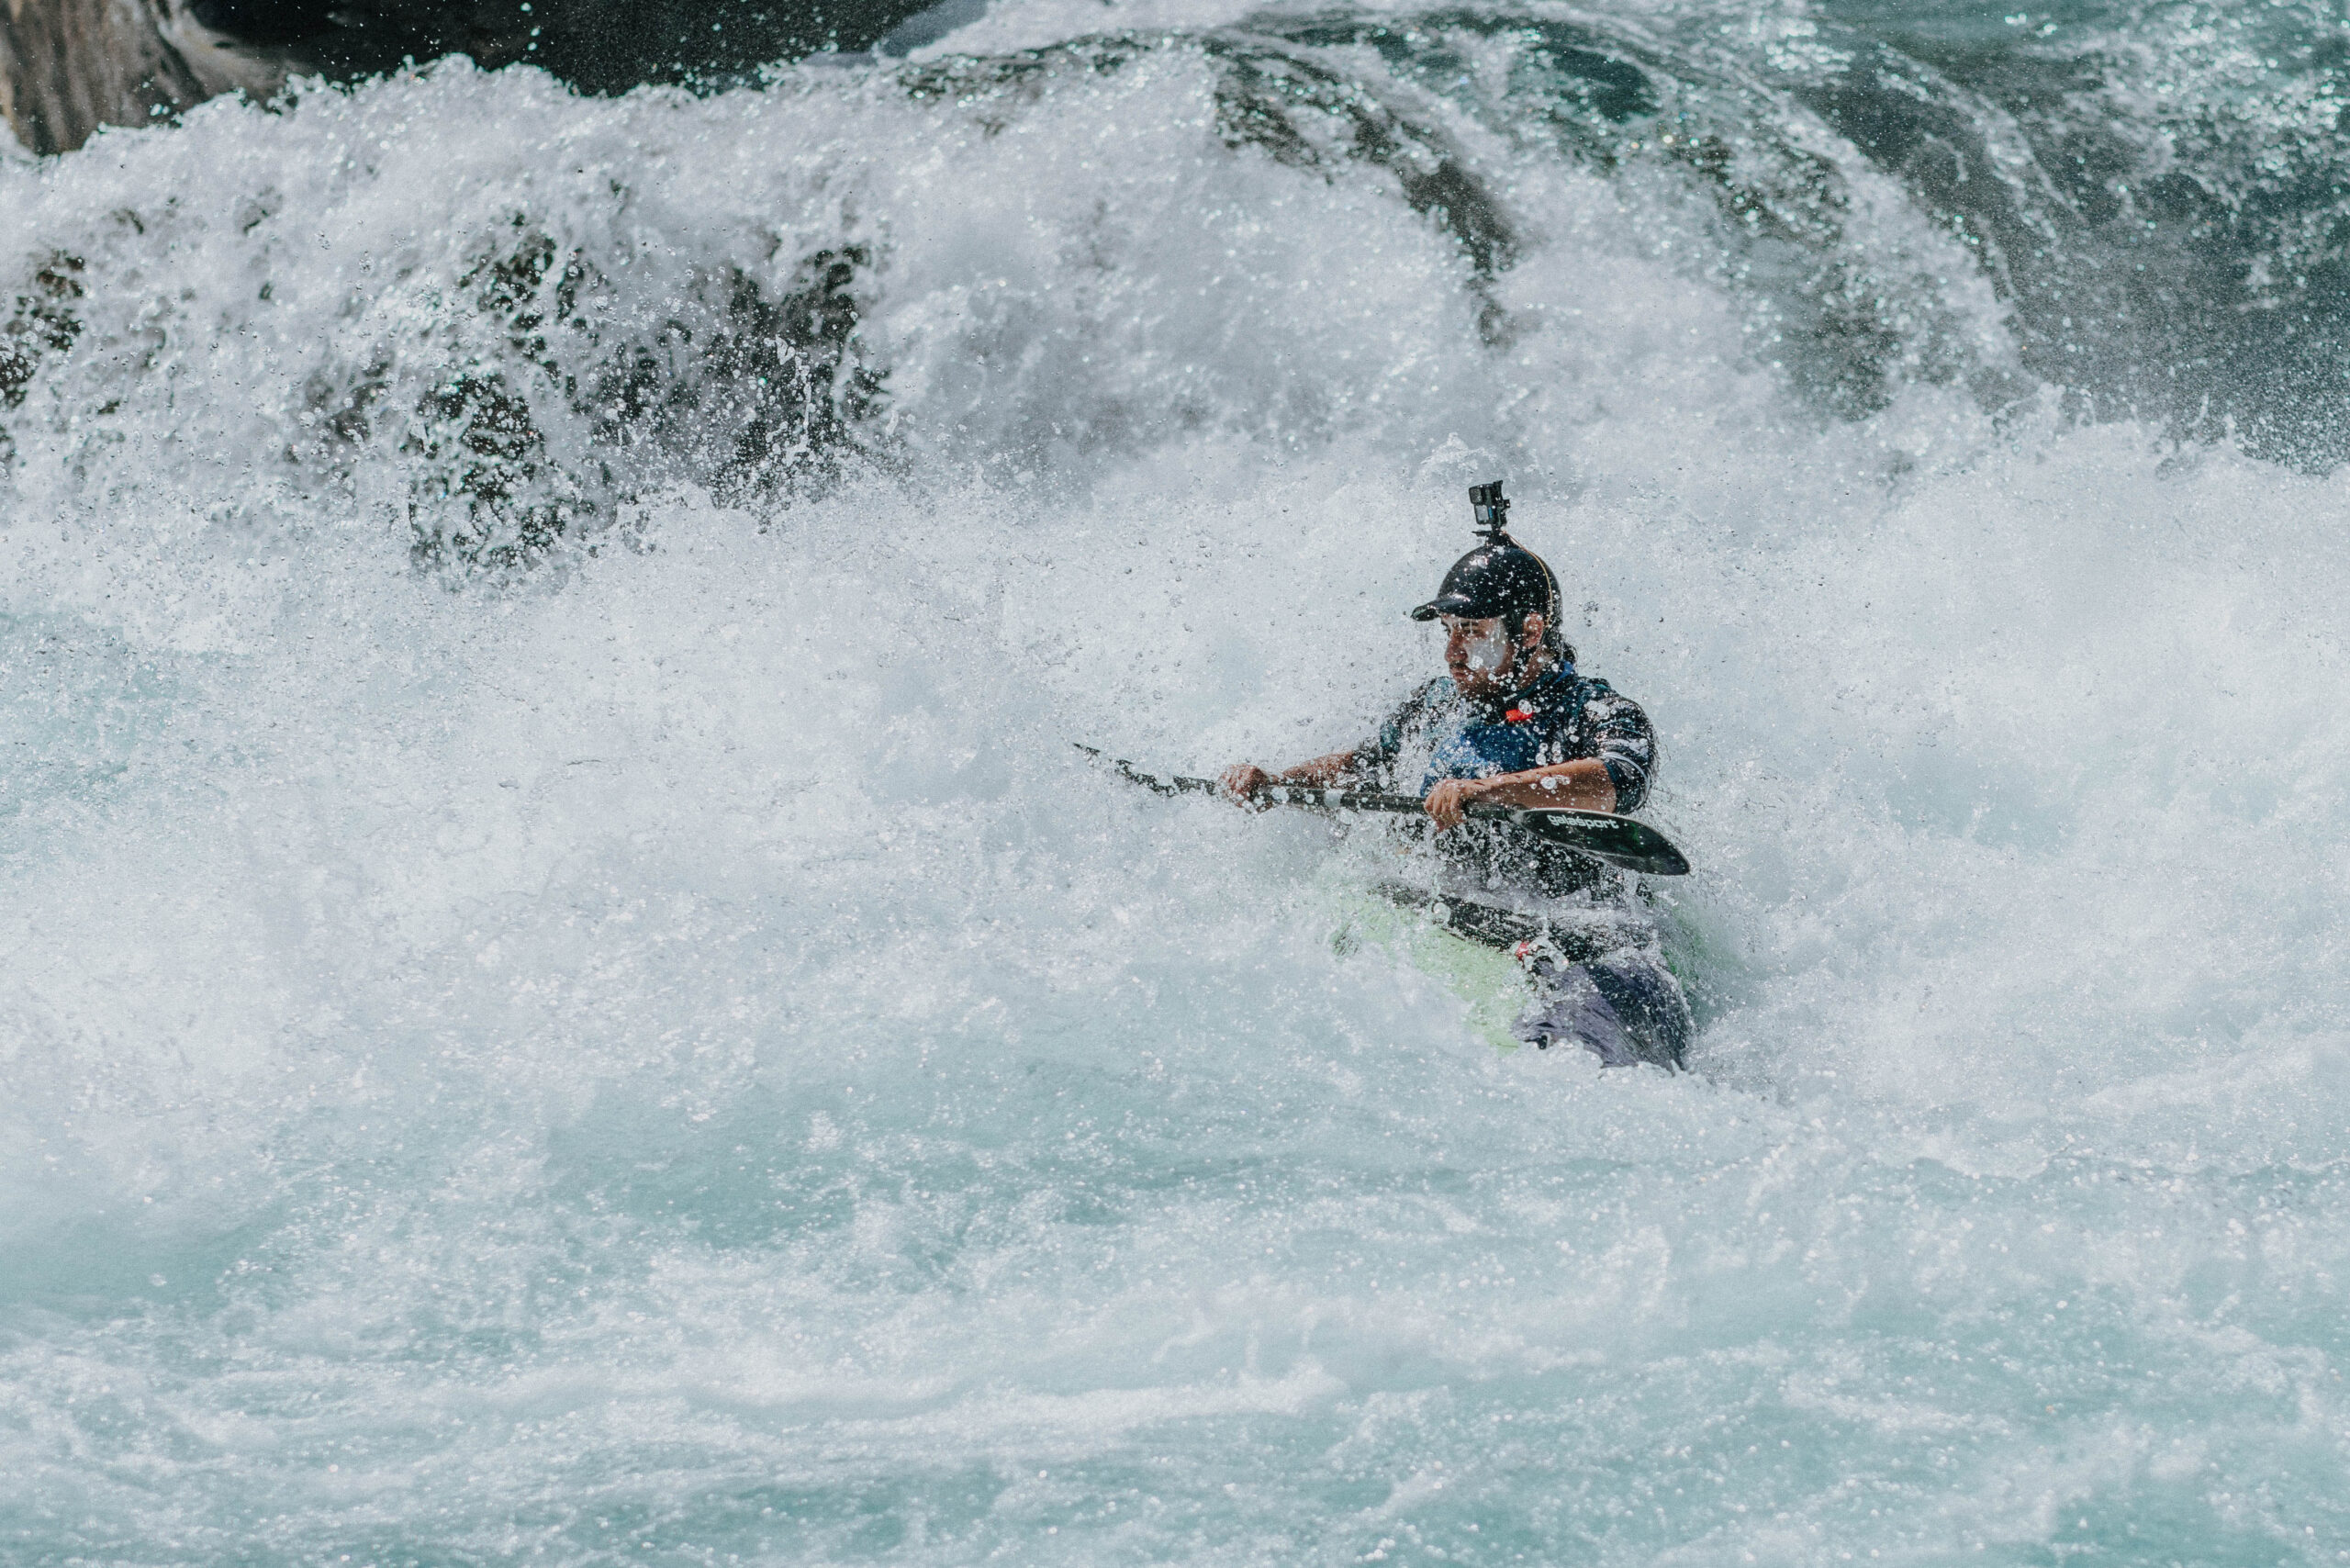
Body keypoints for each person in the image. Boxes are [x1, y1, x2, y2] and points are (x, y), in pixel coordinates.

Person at [1220, 482, 1693, 1069]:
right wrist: (1275, 784)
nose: (1452, 652)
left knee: (1560, 1059)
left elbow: (1618, 780)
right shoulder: (1436, 706)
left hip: (1586, 940)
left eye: (1472, 631)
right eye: (1448, 631)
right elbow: (1364, 766)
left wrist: (1488, 791)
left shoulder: (1595, 709)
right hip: (1468, 920)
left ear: (1530, 631)